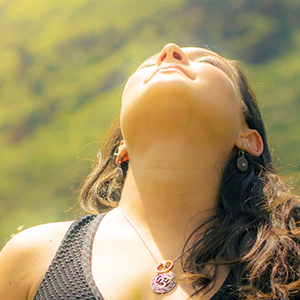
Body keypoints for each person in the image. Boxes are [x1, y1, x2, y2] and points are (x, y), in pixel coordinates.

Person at [0, 43, 299, 300]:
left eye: (207, 62)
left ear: (249, 138)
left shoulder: (291, 256)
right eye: (147, 64)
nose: (170, 52)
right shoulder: (32, 258)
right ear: (123, 147)